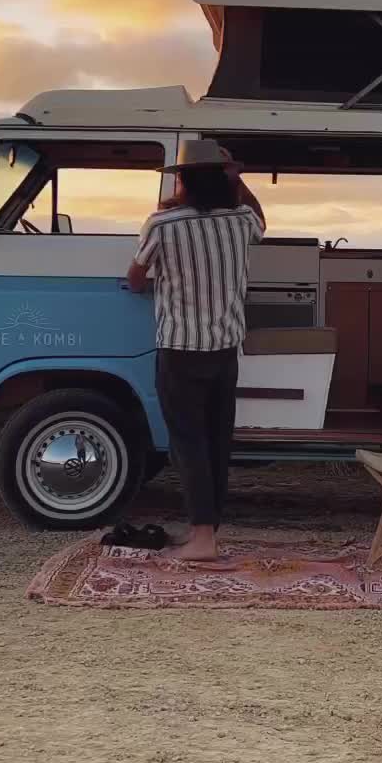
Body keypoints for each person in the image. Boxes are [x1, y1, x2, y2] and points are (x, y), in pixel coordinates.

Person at [126, 140, 266, 560]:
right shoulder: (241, 221)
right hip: (224, 349)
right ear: (223, 178)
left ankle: (202, 538)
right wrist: (235, 176)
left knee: (188, 442)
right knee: (216, 440)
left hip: (179, 349)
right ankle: (209, 531)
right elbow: (260, 218)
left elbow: (135, 278)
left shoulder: (162, 225)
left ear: (182, 179)